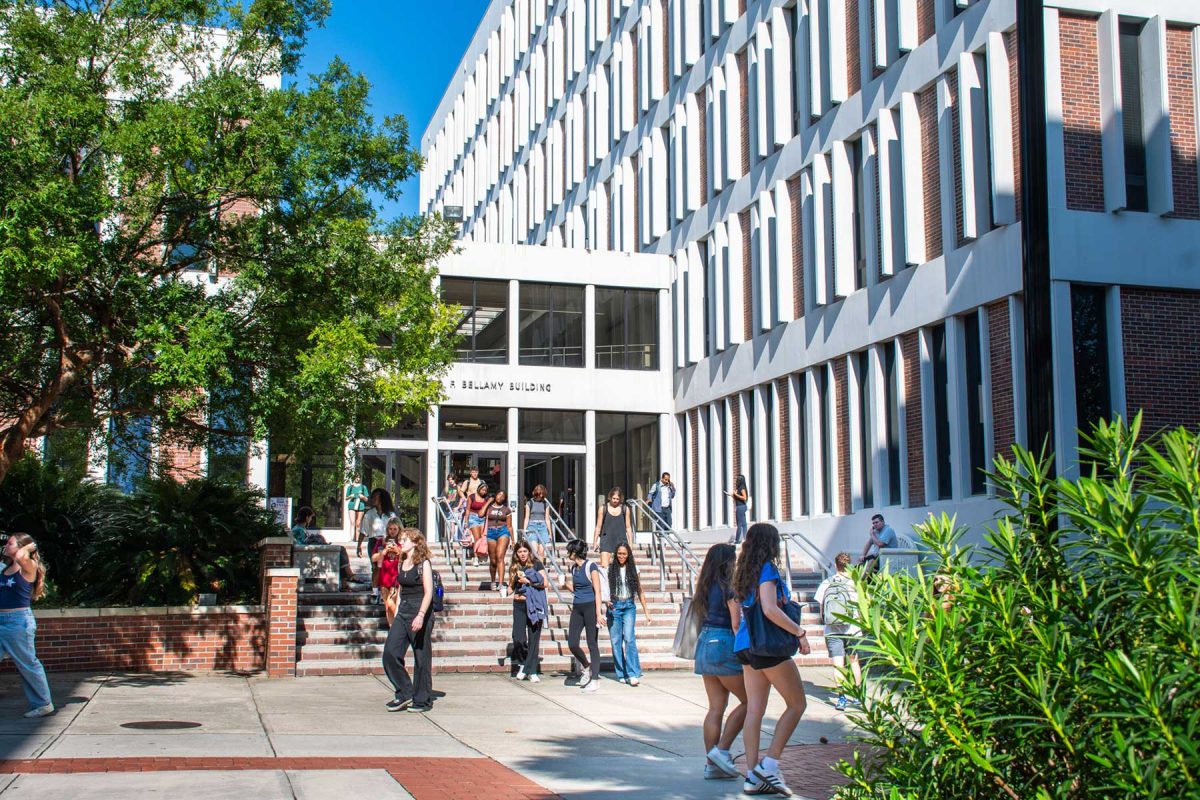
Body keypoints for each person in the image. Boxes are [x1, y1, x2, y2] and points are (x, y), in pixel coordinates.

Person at [733, 523, 811, 796]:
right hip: (767, 646)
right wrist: (799, 632)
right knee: (797, 703)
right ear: (770, 543)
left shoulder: (743, 572)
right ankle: (770, 763)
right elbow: (769, 609)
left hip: (745, 644)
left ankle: (753, 773)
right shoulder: (767, 569)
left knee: (755, 709)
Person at [691, 543, 747, 781]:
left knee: (716, 707)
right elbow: (736, 624)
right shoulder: (729, 588)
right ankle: (720, 752)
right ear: (727, 562)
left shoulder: (704, 586)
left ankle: (711, 763)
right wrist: (745, 651)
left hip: (704, 643)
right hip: (724, 643)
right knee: (750, 701)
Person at [381, 528, 436, 713]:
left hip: (420, 611)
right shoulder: (401, 562)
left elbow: (429, 592)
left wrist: (421, 615)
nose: (401, 543)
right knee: (390, 652)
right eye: (401, 540)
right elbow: (401, 589)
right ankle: (405, 691)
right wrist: (396, 612)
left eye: (404, 540)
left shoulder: (423, 564)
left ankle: (422, 700)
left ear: (415, 543)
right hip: (403, 611)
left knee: (421, 657)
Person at [0, 534, 53, 718]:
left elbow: (23, 556)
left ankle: (43, 704)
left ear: (23, 547)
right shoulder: (4, 568)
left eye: (10, 543)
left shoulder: (28, 567)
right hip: (1, 621)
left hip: (18, 622)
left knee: (27, 664)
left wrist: (30, 546)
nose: (5, 545)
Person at [815, 553, 862, 711]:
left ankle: (841, 698)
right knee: (854, 661)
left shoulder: (827, 583)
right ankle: (857, 695)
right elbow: (863, 606)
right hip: (853, 628)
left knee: (838, 664)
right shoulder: (855, 583)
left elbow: (821, 608)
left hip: (832, 629)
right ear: (850, 565)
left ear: (836, 565)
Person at [607, 542, 651, 686]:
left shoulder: (633, 569)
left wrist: (647, 612)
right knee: (615, 641)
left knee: (629, 638)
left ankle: (632, 673)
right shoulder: (610, 568)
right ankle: (621, 673)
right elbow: (603, 589)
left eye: (624, 553)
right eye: (619, 553)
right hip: (614, 606)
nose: (621, 556)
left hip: (628, 606)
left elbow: (640, 590)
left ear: (629, 555)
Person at [563, 539, 603, 692]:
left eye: (570, 551)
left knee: (592, 644)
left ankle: (595, 679)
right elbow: (575, 588)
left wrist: (598, 613)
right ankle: (587, 666)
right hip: (577, 607)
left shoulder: (591, 566)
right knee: (572, 643)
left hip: (590, 607)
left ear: (575, 552)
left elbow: (597, 591)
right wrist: (564, 584)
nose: (568, 554)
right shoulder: (574, 569)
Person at [508, 540, 548, 683]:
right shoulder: (514, 567)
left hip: (533, 604)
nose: (522, 554)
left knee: (533, 638)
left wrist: (528, 582)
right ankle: (525, 663)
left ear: (529, 552)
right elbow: (511, 587)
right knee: (518, 637)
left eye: (525, 551)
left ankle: (531, 671)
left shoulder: (537, 564)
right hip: (518, 604)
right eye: (520, 552)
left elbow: (545, 583)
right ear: (516, 554)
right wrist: (504, 590)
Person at [293, 506, 354, 588]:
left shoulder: (301, 528)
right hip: (309, 554)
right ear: (307, 517)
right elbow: (302, 545)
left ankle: (345, 581)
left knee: (340, 552)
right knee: (340, 550)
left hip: (311, 552)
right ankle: (349, 575)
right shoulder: (298, 530)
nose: (311, 520)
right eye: (311, 517)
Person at [358, 489, 396, 604]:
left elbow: (397, 529)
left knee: (387, 567)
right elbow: (363, 531)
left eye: (376, 497)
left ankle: (386, 592)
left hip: (388, 542)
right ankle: (375, 593)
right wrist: (359, 546)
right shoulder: (369, 514)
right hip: (374, 542)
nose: (373, 499)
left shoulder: (390, 514)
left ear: (382, 499)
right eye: (372, 497)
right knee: (375, 567)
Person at [372, 522, 403, 626]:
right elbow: (373, 558)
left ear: (399, 529)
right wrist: (384, 551)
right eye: (390, 529)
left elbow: (409, 556)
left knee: (392, 603)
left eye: (395, 529)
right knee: (387, 606)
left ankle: (401, 625)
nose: (392, 531)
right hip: (384, 576)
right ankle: (392, 629)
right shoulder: (382, 541)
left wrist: (398, 550)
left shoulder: (402, 541)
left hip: (397, 577)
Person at [592, 487, 632, 569]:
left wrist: (630, 544)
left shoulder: (625, 509)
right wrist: (595, 541)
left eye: (617, 499)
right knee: (604, 567)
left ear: (620, 499)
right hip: (606, 540)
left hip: (621, 540)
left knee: (621, 568)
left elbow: (628, 527)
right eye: (613, 498)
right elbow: (598, 527)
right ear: (610, 497)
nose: (615, 500)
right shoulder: (603, 508)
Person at [486, 490, 514, 594]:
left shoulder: (506, 510)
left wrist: (513, 540)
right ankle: (493, 581)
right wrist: (488, 502)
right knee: (493, 561)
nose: (500, 497)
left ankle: (501, 583)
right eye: (499, 494)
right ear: (495, 495)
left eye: (503, 496)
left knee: (500, 557)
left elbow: (509, 526)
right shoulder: (489, 507)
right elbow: (480, 515)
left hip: (503, 532)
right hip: (490, 532)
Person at [522, 484, 552, 562]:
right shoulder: (530, 503)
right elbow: (526, 518)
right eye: (538, 494)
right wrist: (525, 531)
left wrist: (550, 533)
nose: (540, 496)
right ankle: (534, 568)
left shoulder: (545, 504)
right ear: (535, 493)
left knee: (541, 551)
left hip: (542, 526)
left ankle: (541, 570)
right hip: (532, 526)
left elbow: (547, 519)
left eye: (542, 494)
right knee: (534, 550)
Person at [466, 482, 491, 561]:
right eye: (483, 490)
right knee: (476, 538)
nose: (484, 492)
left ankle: (481, 553)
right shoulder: (472, 496)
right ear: (479, 489)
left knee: (482, 538)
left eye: (485, 491)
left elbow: (487, 510)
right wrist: (466, 522)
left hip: (482, 519)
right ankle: (476, 557)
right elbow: (467, 509)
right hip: (473, 518)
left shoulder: (486, 498)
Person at [726, 474, 750, 545]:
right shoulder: (740, 488)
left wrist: (735, 495)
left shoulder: (742, 488)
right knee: (744, 524)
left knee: (739, 524)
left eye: (737, 480)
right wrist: (732, 495)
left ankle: (737, 540)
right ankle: (745, 538)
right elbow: (738, 498)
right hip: (741, 506)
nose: (736, 481)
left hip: (740, 507)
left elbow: (744, 498)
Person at [345, 474, 369, 539]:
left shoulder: (363, 487)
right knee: (352, 522)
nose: (358, 478)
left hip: (360, 505)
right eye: (356, 477)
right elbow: (346, 498)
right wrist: (350, 496)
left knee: (358, 523)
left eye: (359, 477)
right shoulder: (350, 487)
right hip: (352, 505)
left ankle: (357, 540)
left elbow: (366, 499)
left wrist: (362, 497)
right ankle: (351, 539)